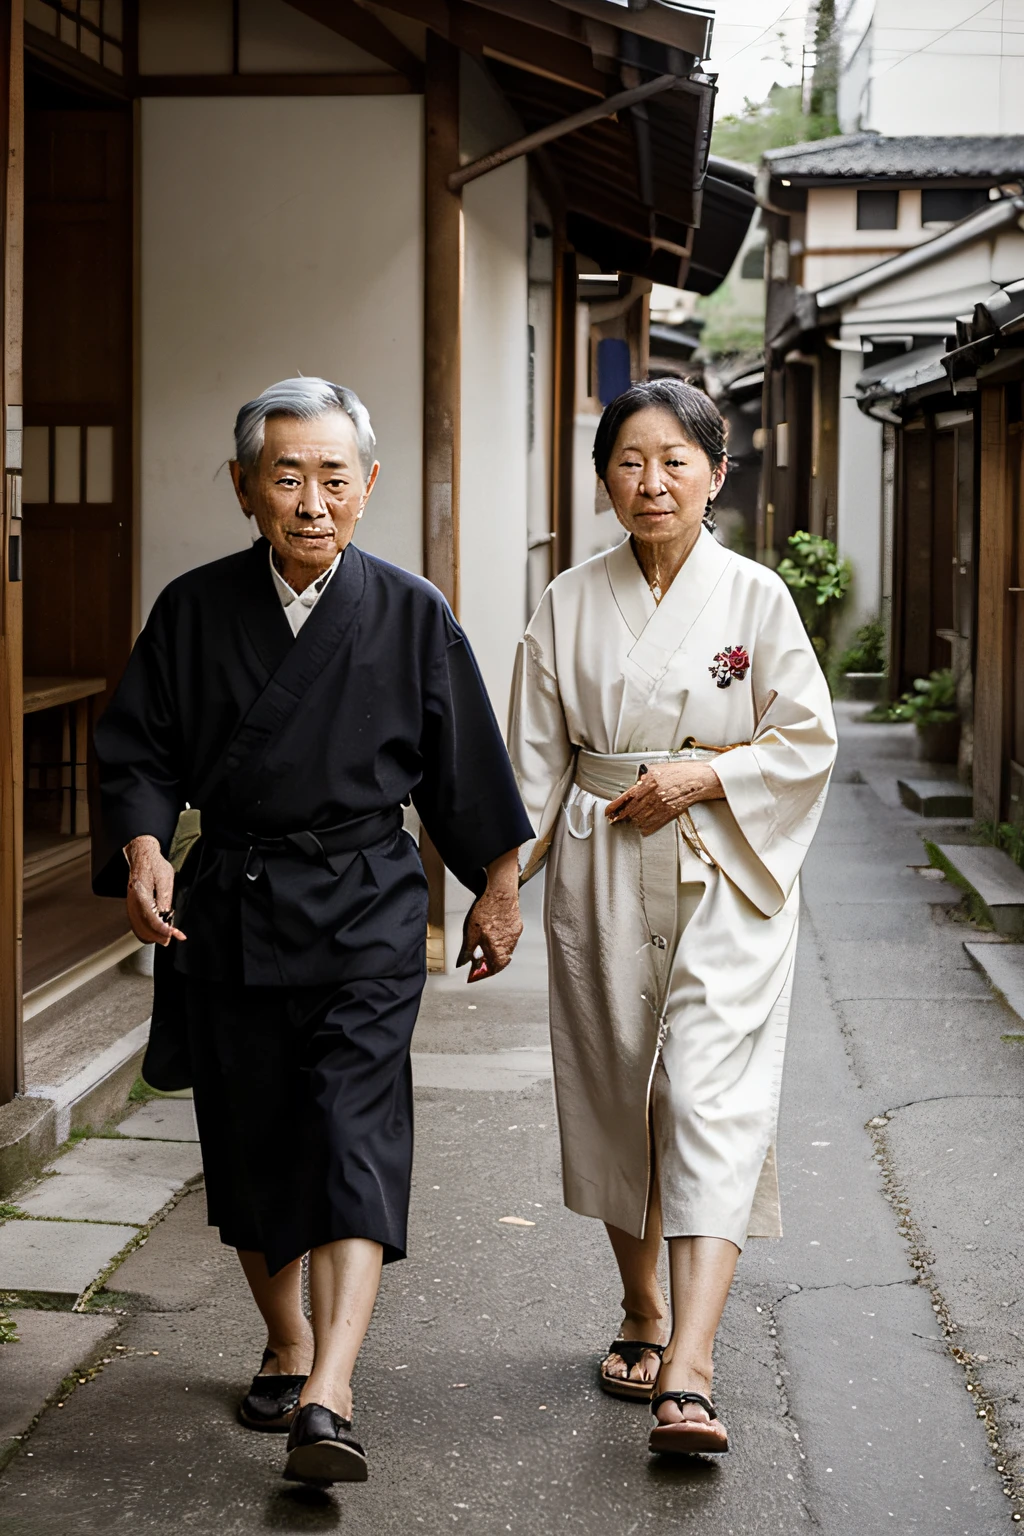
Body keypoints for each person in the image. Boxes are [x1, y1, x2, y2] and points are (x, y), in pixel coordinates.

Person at [93, 377, 532, 1486]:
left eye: (333, 477)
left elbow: (464, 764)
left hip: (367, 904)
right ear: (244, 488)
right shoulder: (192, 610)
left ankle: (329, 1390)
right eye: (285, 476)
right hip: (231, 903)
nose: (311, 499)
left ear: (368, 485)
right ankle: (286, 1339)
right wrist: (147, 849)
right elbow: (138, 751)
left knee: (350, 1131)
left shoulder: (410, 611)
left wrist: (495, 882)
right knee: (253, 1138)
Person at [508, 378, 836, 1457]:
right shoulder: (564, 601)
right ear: (604, 479)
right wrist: (499, 885)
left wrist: (705, 775)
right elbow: (535, 768)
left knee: (706, 1094)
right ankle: (640, 1308)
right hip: (602, 863)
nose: (650, 482)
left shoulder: (756, 600)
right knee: (616, 1083)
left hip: (726, 867)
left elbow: (806, 741)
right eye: (628, 462)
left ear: (715, 474)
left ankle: (689, 1368)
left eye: (673, 460)